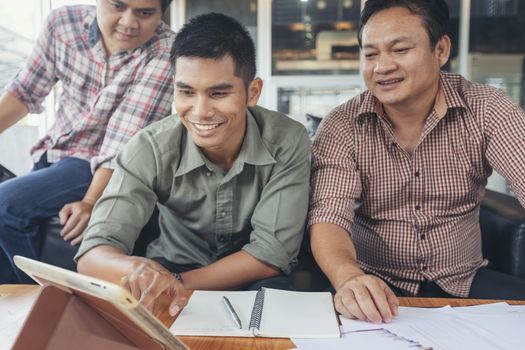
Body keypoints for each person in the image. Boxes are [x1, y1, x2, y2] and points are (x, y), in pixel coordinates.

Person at [76, 13, 310, 316]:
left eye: (219, 93)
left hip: (254, 279)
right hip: (169, 271)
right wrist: (137, 270)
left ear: (252, 92)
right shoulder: (148, 147)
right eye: (186, 92)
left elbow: (271, 254)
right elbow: (93, 253)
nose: (200, 112)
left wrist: (175, 284)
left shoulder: (287, 139)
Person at [308, 0, 525, 325]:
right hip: (376, 283)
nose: (382, 66)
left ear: (440, 49)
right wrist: (348, 277)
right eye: (370, 55)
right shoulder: (343, 125)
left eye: (399, 49)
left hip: (465, 279)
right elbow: (328, 217)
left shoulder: (487, 109)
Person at [0, 0, 175, 284]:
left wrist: (92, 200)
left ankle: (41, 304)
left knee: (5, 204)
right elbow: (25, 91)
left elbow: (123, 139)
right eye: (118, 6)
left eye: (144, 13)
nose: (129, 22)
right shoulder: (62, 24)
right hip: (54, 154)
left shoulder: (166, 51)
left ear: (161, 14)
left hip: (105, 166)